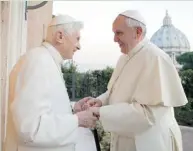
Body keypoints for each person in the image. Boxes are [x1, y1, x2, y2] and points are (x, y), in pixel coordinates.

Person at [84, 10, 188, 151]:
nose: (114, 39)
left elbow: (148, 114)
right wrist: (101, 101)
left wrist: (100, 112)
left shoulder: (155, 58)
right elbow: (115, 91)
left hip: (149, 142)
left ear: (137, 32)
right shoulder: (124, 57)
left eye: (119, 33)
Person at [4, 15, 97, 151]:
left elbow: (44, 110)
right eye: (77, 39)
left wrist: (72, 110)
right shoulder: (39, 61)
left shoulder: (45, 59)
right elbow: (30, 129)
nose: (79, 46)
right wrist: (77, 119)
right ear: (60, 36)